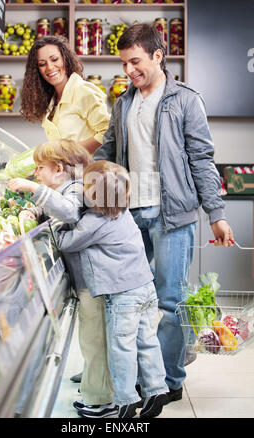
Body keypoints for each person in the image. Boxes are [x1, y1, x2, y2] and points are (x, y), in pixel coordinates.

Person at [93, 23, 235, 403]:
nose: (128, 70)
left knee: (171, 301)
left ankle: (170, 380)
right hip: (129, 217)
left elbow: (203, 160)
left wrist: (217, 214)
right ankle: (146, 377)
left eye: (135, 61)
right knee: (131, 301)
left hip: (173, 214)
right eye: (123, 63)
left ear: (158, 56)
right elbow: (106, 153)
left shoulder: (186, 100)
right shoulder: (124, 102)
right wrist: (76, 180)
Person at [7, 140, 115, 417]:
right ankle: (94, 388)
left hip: (94, 281)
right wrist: (33, 210)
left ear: (58, 169)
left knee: (95, 340)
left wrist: (35, 190)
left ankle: (102, 401)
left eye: (40, 168)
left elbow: (67, 212)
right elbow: (52, 211)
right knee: (89, 338)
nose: (36, 174)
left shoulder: (76, 189)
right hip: (85, 281)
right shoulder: (63, 188)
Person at [57, 160, 169, 418]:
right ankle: (156, 389)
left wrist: (56, 222)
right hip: (145, 288)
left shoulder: (95, 222)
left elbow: (66, 242)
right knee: (146, 341)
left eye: (85, 187)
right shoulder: (123, 212)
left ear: (94, 195)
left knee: (122, 347)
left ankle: (126, 400)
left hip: (123, 296)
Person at [21, 35, 109, 155]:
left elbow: (107, 133)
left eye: (54, 59)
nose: (49, 67)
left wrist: (69, 153)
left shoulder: (83, 91)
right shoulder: (51, 100)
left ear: (65, 59)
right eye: (42, 64)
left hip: (89, 171)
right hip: (68, 172)